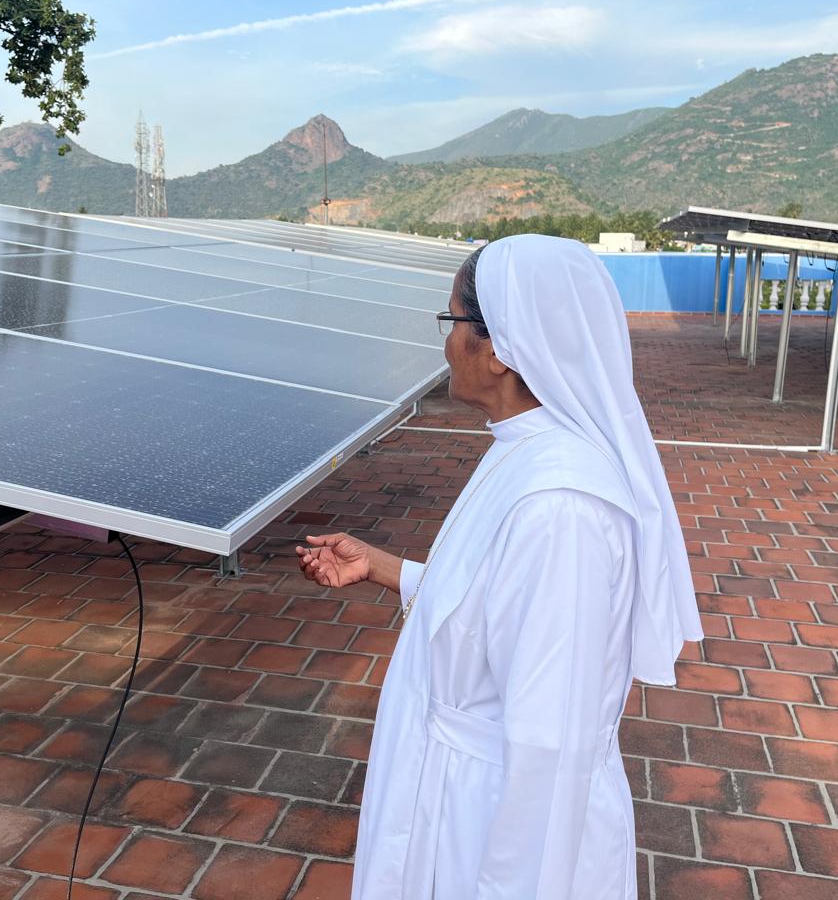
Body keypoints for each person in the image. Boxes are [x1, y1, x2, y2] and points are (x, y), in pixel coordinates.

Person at [295, 234, 703, 899]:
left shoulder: (562, 506)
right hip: (464, 798)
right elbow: (496, 608)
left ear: (499, 348)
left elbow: (550, 747)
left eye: (451, 321)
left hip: (493, 826)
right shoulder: (526, 450)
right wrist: (385, 567)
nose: (445, 344)